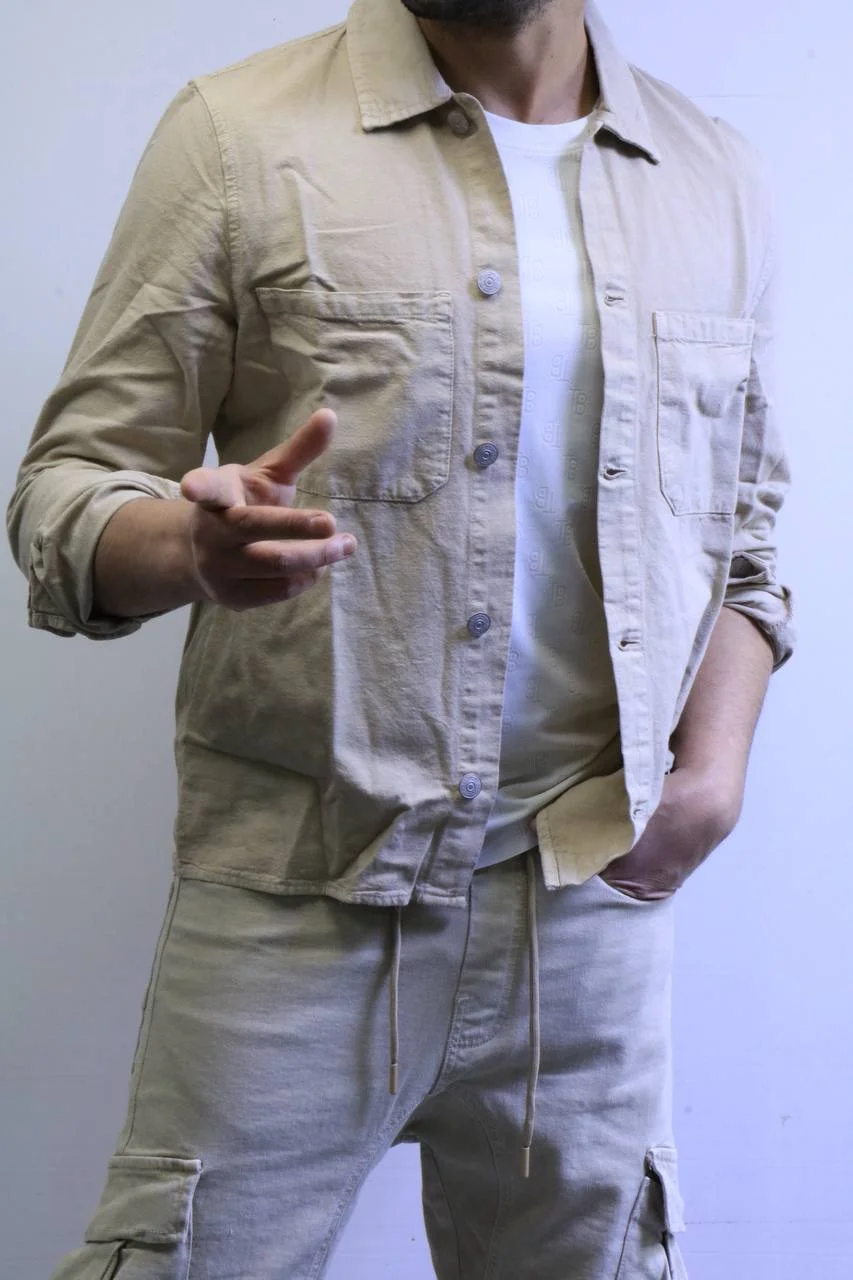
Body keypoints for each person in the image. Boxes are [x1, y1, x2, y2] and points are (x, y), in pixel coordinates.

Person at [8, 0, 794, 1275]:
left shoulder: (714, 176)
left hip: (588, 904)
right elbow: (68, 486)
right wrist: (189, 548)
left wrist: (714, 769)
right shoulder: (237, 135)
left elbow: (741, 531)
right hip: (293, 899)